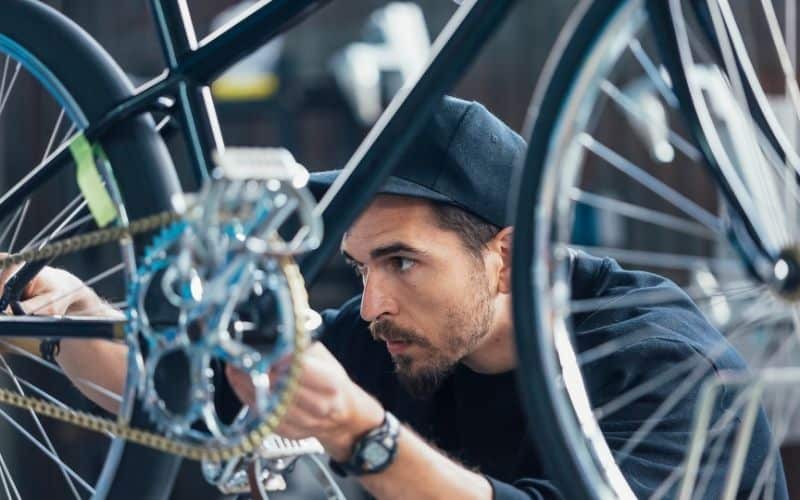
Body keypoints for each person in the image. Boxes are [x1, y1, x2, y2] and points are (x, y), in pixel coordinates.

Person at [13, 96, 788, 499]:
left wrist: (361, 432)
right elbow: (178, 386)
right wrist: (51, 311)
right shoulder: (387, 336)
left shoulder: (667, 368)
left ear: (506, 257)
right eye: (359, 268)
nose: (374, 300)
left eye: (402, 262)